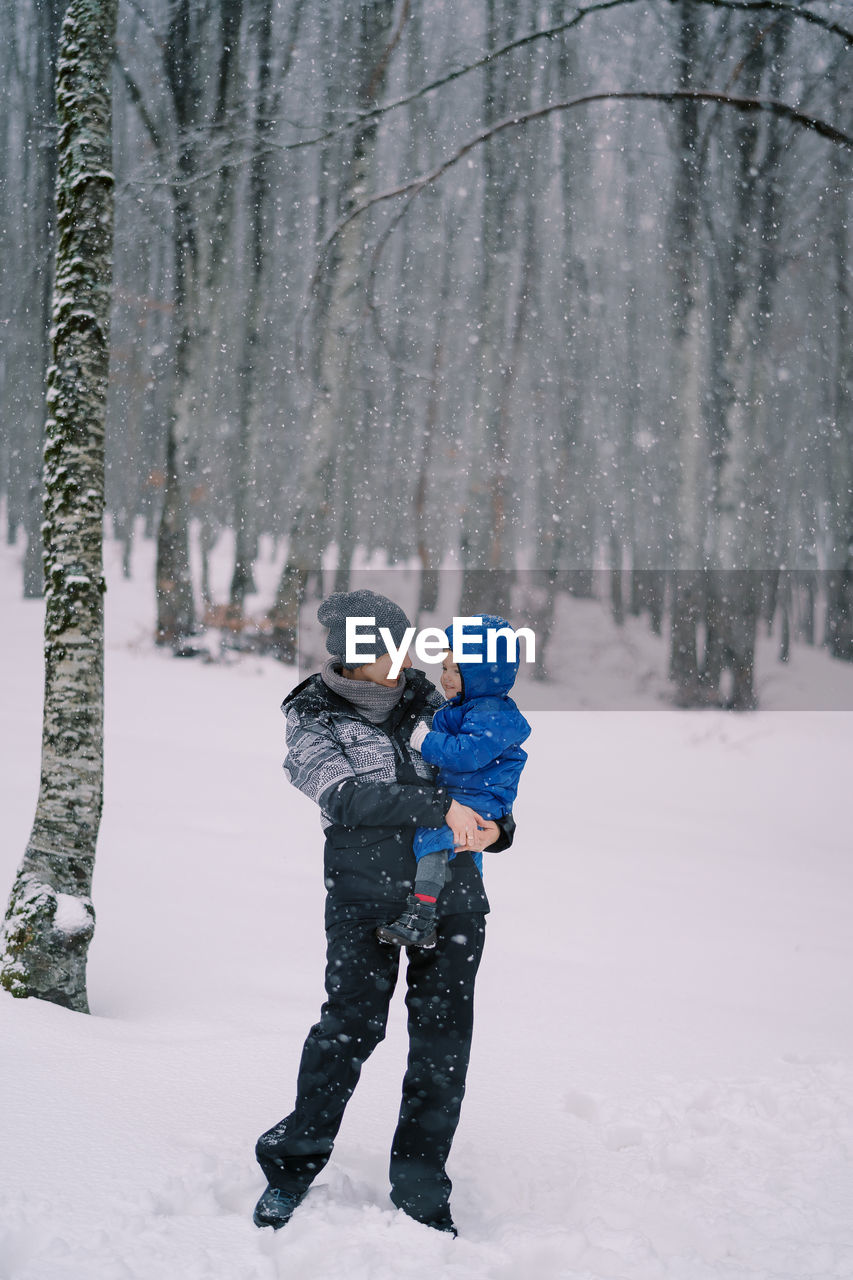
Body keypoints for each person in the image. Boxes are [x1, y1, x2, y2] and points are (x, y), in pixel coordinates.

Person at [253, 589, 516, 1236]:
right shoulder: (313, 716)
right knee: (349, 1030)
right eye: (394, 648)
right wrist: (433, 810)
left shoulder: (435, 702)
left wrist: (499, 830)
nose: (408, 658)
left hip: (453, 896)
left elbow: (485, 777)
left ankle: (422, 1189)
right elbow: (343, 798)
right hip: (362, 898)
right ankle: (290, 1168)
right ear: (357, 654)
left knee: (440, 1045)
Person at [376, 616, 530, 950]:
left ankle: (423, 913)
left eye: (457, 671)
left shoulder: (490, 712)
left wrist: (423, 740)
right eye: (444, 667)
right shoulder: (468, 706)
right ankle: (447, 910)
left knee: (437, 838)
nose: (445, 678)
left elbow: (465, 755)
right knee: (465, 854)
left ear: (483, 675)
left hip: (477, 799)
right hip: (469, 795)